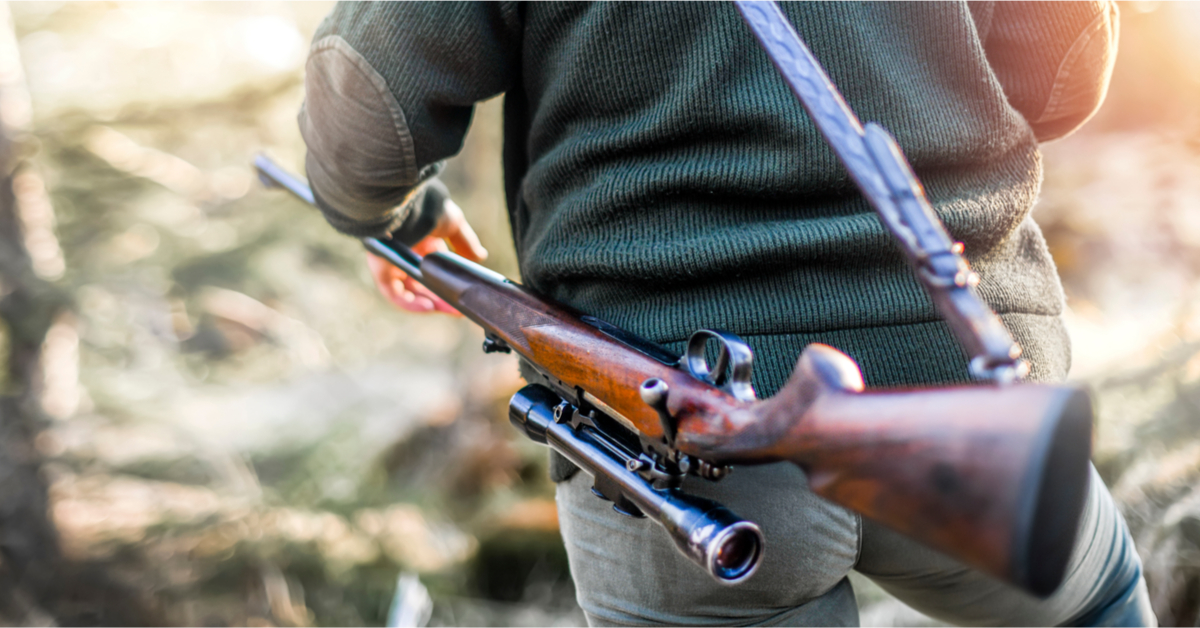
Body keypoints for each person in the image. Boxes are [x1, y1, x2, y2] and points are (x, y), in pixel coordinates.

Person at [297, 2, 1155, 625]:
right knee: (1098, 606)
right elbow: (1057, 74)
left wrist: (400, 219)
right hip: (963, 390)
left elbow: (367, 107)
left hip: (683, 429)